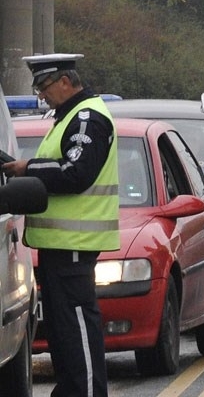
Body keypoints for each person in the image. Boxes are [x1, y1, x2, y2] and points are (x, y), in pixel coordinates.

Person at [2, 53, 119, 396]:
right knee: (64, 328)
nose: (42, 96)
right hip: (62, 245)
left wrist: (29, 169)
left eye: (44, 87)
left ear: (65, 81)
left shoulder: (87, 117)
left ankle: (84, 392)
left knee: (77, 324)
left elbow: (76, 173)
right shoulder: (71, 117)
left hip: (74, 243)